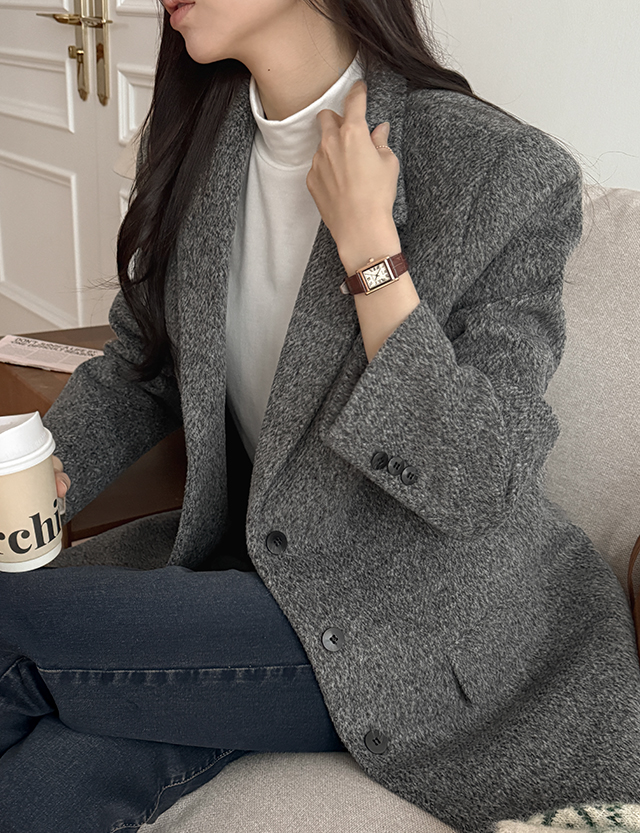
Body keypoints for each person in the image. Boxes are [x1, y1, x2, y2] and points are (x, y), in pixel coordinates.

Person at [1, 0, 640, 831]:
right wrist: (42, 478)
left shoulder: (500, 171)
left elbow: (476, 480)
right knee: (38, 792)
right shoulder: (201, 140)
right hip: (249, 573)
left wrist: (370, 250)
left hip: (421, 620)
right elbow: (141, 365)